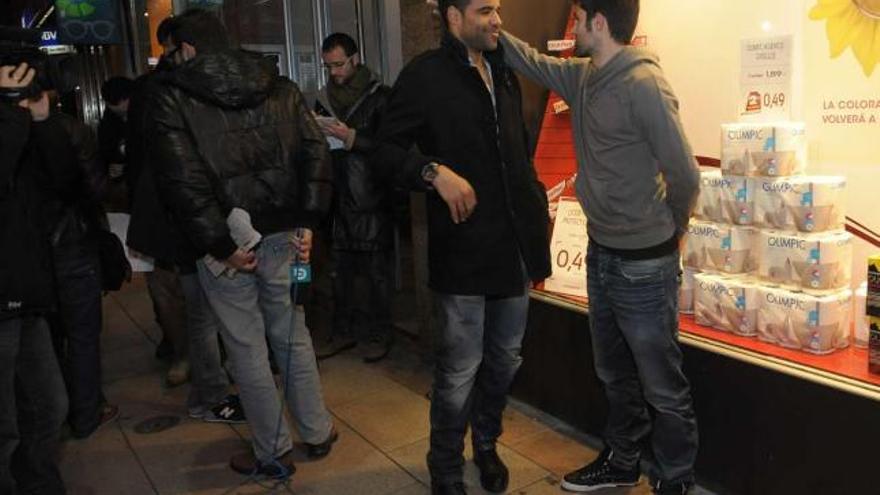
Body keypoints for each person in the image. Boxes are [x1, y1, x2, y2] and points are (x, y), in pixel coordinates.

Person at [498, 1, 701, 493]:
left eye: (579, 17)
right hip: (602, 254)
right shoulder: (584, 76)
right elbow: (533, 63)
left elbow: (685, 174)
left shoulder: (644, 86)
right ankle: (623, 460)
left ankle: (674, 479)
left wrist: (668, 228)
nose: (573, 26)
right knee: (613, 371)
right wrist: (494, 27)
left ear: (599, 23)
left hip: (645, 264)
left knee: (661, 386)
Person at [145, 9, 336, 477]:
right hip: (291, 239)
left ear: (187, 48)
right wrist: (307, 223)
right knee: (293, 330)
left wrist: (216, 243)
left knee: (246, 346)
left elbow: (183, 182)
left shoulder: (172, 97)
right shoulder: (281, 85)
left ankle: (273, 450)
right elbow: (316, 153)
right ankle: (316, 431)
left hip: (227, 246)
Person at [372, 1, 551, 493]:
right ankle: (445, 464)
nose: (497, 19)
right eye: (485, 9)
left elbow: (517, 152)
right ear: (453, 17)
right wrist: (432, 172)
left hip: (514, 249)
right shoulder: (425, 76)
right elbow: (383, 151)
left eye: (498, 9)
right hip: (465, 252)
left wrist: (536, 211)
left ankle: (486, 443)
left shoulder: (504, 70)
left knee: (506, 360)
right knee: (458, 370)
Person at [126, 16, 243, 420]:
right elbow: (163, 165)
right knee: (200, 308)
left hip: (199, 214)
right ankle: (210, 393)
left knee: (207, 307)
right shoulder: (164, 92)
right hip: (185, 216)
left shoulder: (174, 88)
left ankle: (213, 385)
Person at [0, 62, 69, 495]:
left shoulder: (17, 127)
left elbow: (64, 180)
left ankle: (41, 484)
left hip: (25, 293)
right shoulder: (8, 128)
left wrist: (42, 122)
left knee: (50, 406)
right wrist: (11, 111)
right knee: (4, 424)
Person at [37, 86, 118, 439]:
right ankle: (86, 412)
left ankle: (52, 415)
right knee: (83, 334)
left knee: (45, 337)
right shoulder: (69, 129)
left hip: (28, 254)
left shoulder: (9, 133)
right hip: (72, 243)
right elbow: (95, 188)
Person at [313, 32, 395, 363]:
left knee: (376, 273)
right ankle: (342, 331)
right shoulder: (324, 98)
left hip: (371, 197)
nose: (334, 72)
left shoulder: (381, 97)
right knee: (339, 273)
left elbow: (392, 150)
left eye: (338, 64)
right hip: (337, 196)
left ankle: (380, 333)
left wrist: (352, 138)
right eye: (328, 66)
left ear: (355, 58)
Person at [97, 76, 135, 212]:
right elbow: (105, 153)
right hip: (123, 188)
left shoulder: (144, 115)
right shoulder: (108, 125)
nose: (126, 104)